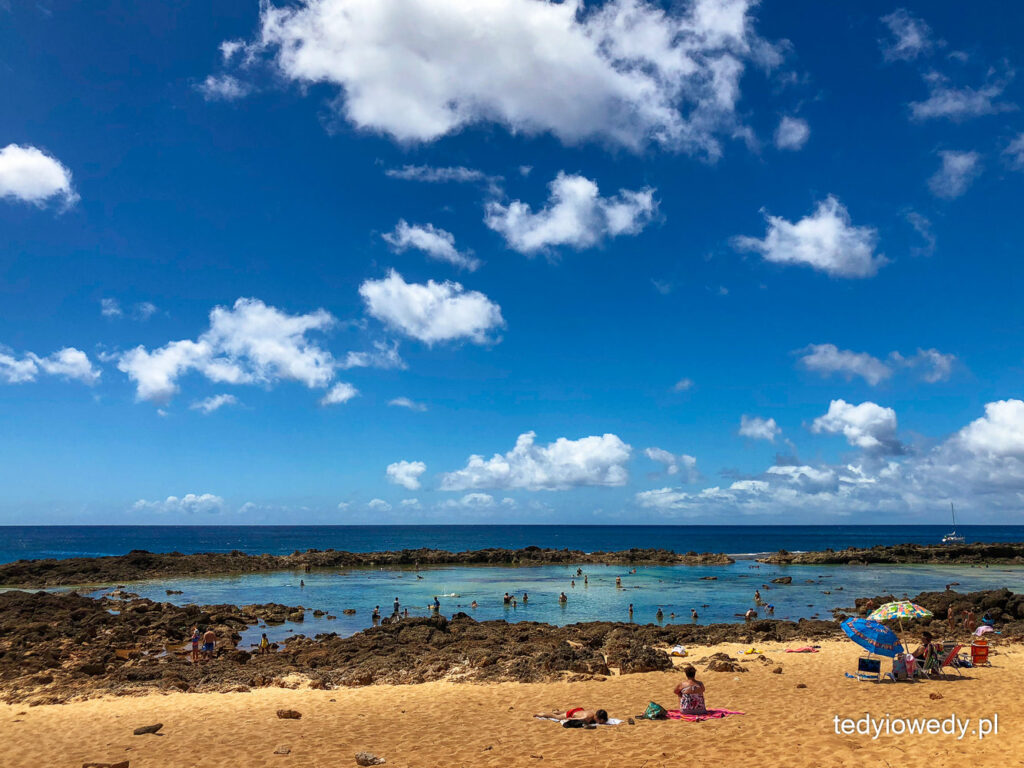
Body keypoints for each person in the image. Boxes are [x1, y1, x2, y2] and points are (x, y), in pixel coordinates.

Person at [535, 708, 609, 725]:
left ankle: (556, 711)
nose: (600, 723)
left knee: (563, 712)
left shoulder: (593, 712)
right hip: (573, 713)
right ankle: (541, 714)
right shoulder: (587, 717)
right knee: (556, 717)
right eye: (600, 721)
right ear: (597, 717)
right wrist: (570, 719)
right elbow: (579, 718)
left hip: (579, 710)